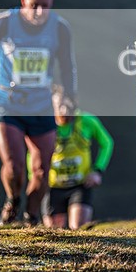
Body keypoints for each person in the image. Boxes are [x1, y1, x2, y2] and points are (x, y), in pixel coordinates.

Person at [0, 0, 77, 225]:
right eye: (34, 4)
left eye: (45, 6)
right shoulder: (5, 23)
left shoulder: (60, 28)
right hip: (7, 103)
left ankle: (32, 215)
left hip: (42, 105)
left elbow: (68, 66)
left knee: (41, 170)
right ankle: (13, 200)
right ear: (23, 0)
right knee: (15, 167)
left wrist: (69, 97)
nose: (39, 11)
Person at [41, 87, 113, 229]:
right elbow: (34, 151)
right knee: (54, 233)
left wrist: (97, 170)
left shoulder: (87, 121)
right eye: (60, 106)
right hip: (53, 186)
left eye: (68, 106)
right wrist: (36, 177)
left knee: (79, 228)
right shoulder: (45, 123)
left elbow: (107, 143)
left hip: (80, 184)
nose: (64, 111)